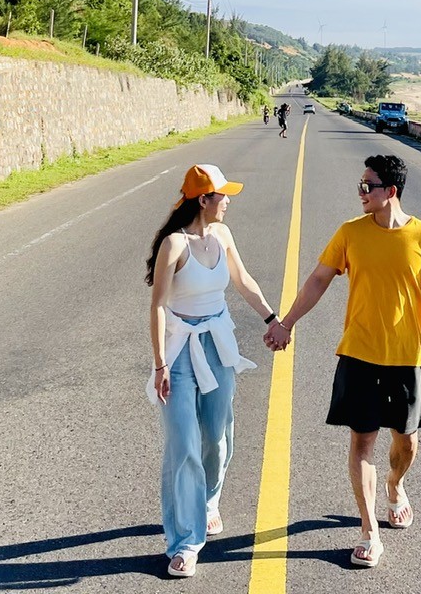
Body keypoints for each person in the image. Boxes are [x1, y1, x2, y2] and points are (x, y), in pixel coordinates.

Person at [264, 153, 421, 568]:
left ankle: (395, 483)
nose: (360, 193)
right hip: (359, 354)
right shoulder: (350, 233)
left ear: (390, 192)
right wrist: (287, 323)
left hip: (408, 357)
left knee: (406, 442)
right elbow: (318, 279)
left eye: (367, 186)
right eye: (360, 185)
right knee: (362, 442)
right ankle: (369, 530)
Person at [147, 164, 280, 579]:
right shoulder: (174, 245)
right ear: (203, 200)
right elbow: (157, 307)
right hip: (179, 349)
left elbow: (242, 281)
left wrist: (273, 319)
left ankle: (208, 501)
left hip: (217, 343)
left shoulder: (221, 235)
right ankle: (185, 541)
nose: (228, 202)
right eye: (223, 196)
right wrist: (160, 365)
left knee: (218, 435)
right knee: (184, 441)